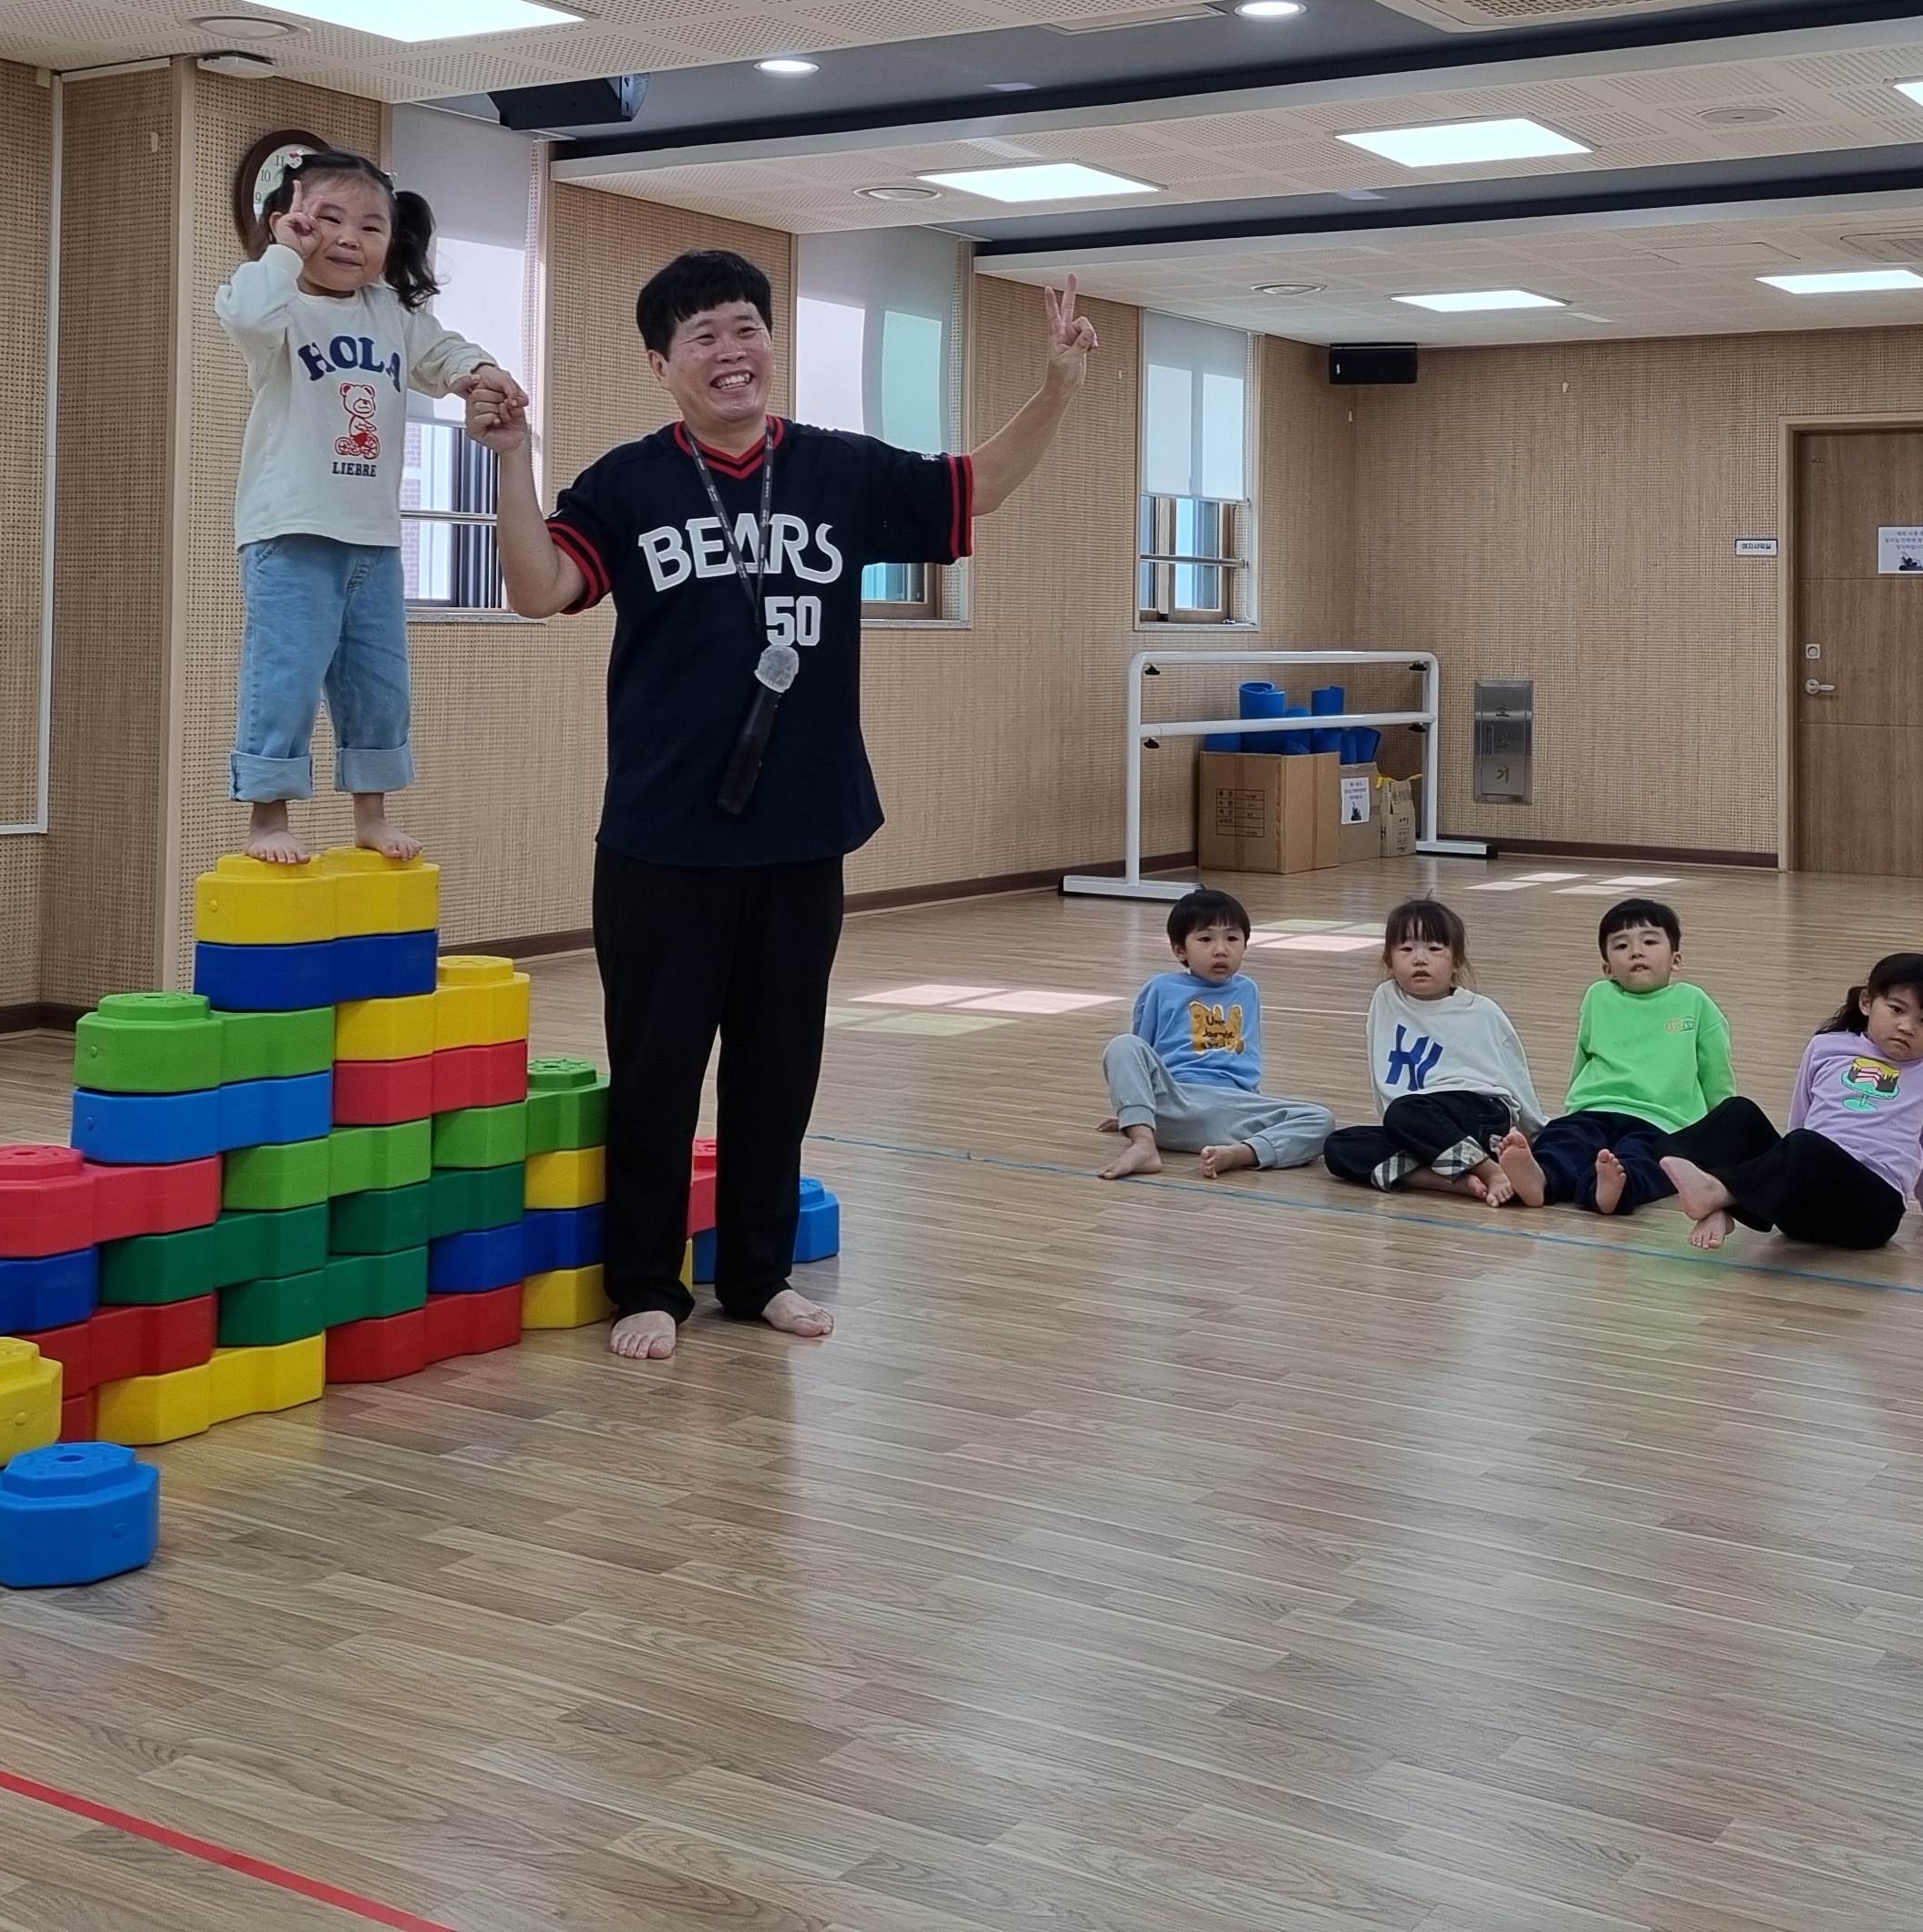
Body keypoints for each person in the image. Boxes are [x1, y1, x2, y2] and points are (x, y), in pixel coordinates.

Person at [486, 248, 1099, 1360]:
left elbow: (974, 491)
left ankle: (758, 1274)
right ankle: (647, 1285)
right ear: (661, 365)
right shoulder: (626, 483)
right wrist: (514, 460)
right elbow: (540, 590)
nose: (732, 352)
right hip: (663, 837)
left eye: (747, 328)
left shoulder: (838, 469)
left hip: (802, 825)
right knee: (658, 1072)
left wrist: (1055, 389)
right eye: (704, 336)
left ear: (771, 344)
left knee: (779, 1069)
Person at [214, 148, 519, 864]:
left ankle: (371, 816)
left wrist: (480, 372)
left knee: (379, 685)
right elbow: (246, 313)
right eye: (327, 220)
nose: (349, 238)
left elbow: (444, 352)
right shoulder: (279, 307)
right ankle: (267, 818)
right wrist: (283, 253)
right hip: (291, 532)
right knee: (285, 679)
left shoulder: (392, 313)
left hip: (375, 539)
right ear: (287, 221)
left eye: (371, 227)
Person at [1656, 950, 1923, 1251]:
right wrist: (1786, 1173)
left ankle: (1718, 1193)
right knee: (1738, 1113)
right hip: (1802, 1207)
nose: (1907, 1027)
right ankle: (1703, 1194)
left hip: (1870, 1213)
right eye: (1897, 1010)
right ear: (1867, 1002)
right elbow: (1800, 1119)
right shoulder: (1827, 1047)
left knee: (1806, 1145)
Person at [1494, 895, 1732, 1214]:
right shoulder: (1598, 996)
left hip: (1662, 1120)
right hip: (1595, 1108)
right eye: (1621, 946)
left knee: (1647, 1157)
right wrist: (1575, 1107)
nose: (1636, 951)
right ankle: (1540, 1178)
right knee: (1565, 1140)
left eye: (1650, 942)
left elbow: (1716, 1076)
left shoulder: (1694, 1002)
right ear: (1607, 968)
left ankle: (1612, 1190)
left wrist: (1720, 1135)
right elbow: (1583, 1058)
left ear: (1675, 959)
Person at [1098, 889, 1335, 1181]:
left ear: (1245, 945)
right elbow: (1140, 1052)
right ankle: (1143, 1143)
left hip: (1233, 1109)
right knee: (1123, 1045)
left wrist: (1253, 1109)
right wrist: (1135, 1113)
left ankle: (1240, 1154)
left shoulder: (1248, 989)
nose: (1221, 950)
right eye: (1205, 939)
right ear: (1180, 950)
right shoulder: (1160, 988)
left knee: (1320, 1119)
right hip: (1175, 1101)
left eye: (1232, 939)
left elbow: (1249, 1056)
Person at [1321, 898, 1539, 1200]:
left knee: (1405, 1112)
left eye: (1434, 949)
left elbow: (1515, 1073)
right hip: (1417, 1125)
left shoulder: (1482, 1011)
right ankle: (1447, 1180)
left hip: (1478, 1114)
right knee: (1338, 1147)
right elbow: (1381, 1075)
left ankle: (1490, 1170)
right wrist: (1404, 1129)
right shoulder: (1385, 999)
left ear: (1456, 962)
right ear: (1388, 961)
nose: (1420, 959)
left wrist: (1536, 1135)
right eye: (1406, 949)